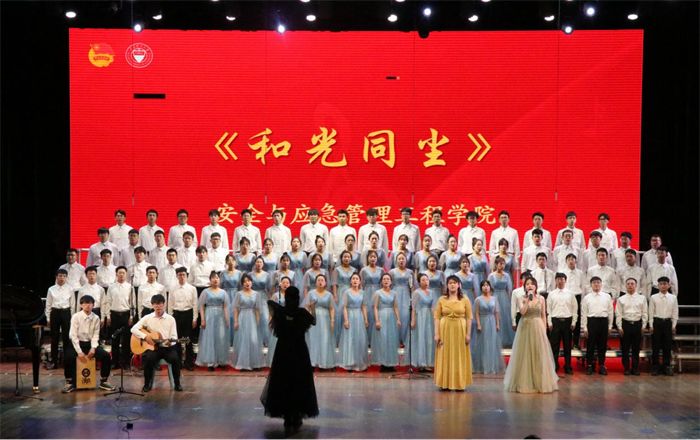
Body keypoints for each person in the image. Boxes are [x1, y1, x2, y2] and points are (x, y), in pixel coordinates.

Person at [261, 286, 318, 427]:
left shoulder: (280, 312)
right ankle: (297, 415)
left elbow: (270, 303)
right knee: (299, 381)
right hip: (299, 351)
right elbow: (313, 321)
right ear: (297, 298)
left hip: (283, 351)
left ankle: (286, 416)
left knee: (283, 381)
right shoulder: (302, 313)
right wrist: (313, 308)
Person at [503, 277, 558, 393]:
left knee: (539, 353)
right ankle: (524, 382)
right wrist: (528, 299)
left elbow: (543, 315)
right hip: (525, 327)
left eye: (532, 284)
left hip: (538, 327)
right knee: (525, 354)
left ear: (536, 286)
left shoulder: (542, 299)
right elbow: (522, 312)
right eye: (527, 284)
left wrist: (544, 330)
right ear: (525, 287)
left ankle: (539, 382)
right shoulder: (521, 298)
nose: (530, 286)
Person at [62, 295, 115, 393]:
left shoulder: (96, 317)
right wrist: (79, 352)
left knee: (106, 356)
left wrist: (93, 348)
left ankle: (104, 380)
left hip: (90, 344)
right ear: (81, 305)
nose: (88, 305)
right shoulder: (76, 317)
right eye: (85, 303)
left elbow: (96, 335)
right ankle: (69, 381)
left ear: (93, 305)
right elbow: (73, 336)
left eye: (90, 303)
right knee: (68, 356)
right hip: (76, 344)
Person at [131, 294, 183, 392]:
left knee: (175, 358)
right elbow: (133, 329)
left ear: (164, 305)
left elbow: (174, 336)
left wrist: (169, 343)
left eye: (160, 304)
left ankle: (177, 384)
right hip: (153, 348)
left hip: (167, 348)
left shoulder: (171, 319)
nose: (158, 307)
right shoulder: (147, 317)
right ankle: (147, 384)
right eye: (155, 304)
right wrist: (145, 337)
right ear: (152, 305)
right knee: (149, 359)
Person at [434, 275, 473, 391]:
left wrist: (468, 334)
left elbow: (469, 317)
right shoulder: (442, 299)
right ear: (447, 285)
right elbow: (437, 317)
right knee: (445, 353)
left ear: (459, 285)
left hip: (460, 329)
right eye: (450, 283)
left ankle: (459, 382)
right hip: (445, 329)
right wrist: (436, 333)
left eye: (454, 283)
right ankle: (444, 382)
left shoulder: (465, 299)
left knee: (459, 355)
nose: (452, 285)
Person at [196, 271, 231, 370]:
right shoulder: (205, 292)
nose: (215, 280)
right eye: (213, 278)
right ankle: (210, 362)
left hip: (220, 316)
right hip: (209, 315)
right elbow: (201, 306)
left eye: (217, 278)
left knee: (220, 338)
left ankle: (221, 361)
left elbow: (225, 306)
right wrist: (202, 319)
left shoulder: (223, 292)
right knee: (210, 338)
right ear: (210, 280)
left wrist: (226, 319)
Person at [581, 277, 614, 375]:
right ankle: (589, 366)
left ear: (601, 284)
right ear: (591, 285)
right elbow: (584, 313)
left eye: (598, 282)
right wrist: (585, 327)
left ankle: (602, 366)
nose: (596, 284)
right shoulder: (587, 298)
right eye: (594, 282)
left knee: (602, 346)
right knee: (590, 345)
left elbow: (610, 312)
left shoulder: (607, 296)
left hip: (603, 322)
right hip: (592, 322)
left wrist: (610, 326)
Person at [472, 281, 506, 374]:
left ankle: (492, 366)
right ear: (481, 288)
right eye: (483, 286)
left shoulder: (494, 299)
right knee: (483, 343)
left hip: (492, 322)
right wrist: (478, 324)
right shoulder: (478, 299)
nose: (485, 287)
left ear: (490, 287)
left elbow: (496, 312)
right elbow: (477, 313)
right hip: (482, 321)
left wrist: (497, 324)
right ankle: (483, 366)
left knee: (492, 343)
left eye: (487, 285)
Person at [103, 266, 134, 369]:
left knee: (126, 340)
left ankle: (125, 363)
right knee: (114, 339)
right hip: (114, 315)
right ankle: (115, 362)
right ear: (116, 274)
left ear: (126, 274)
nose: (121, 275)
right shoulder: (111, 287)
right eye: (119, 273)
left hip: (126, 315)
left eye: (123, 273)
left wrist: (131, 316)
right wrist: (108, 316)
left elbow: (132, 303)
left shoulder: (130, 287)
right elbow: (108, 302)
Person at [168, 267, 198, 371]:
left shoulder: (192, 289)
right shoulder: (172, 289)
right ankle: (178, 362)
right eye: (179, 275)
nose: (182, 277)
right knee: (177, 340)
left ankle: (189, 363)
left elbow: (195, 305)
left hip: (188, 314)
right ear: (176, 276)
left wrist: (194, 318)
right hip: (176, 315)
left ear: (187, 276)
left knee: (189, 340)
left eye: (183, 275)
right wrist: (170, 317)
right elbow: (170, 304)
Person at [232, 273, 264, 370]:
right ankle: (243, 364)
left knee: (253, 340)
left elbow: (257, 309)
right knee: (243, 340)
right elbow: (236, 309)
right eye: (245, 281)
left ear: (252, 282)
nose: (247, 283)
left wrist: (258, 322)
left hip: (252, 318)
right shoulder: (239, 294)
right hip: (242, 317)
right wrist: (236, 321)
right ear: (242, 284)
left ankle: (255, 363)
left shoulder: (256, 294)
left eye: (249, 281)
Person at [547, 273, 578, 375]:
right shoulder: (551, 294)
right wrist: (549, 322)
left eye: (562, 279)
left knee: (567, 346)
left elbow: (574, 309)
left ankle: (568, 366)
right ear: (555, 281)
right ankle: (554, 366)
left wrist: (574, 321)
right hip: (555, 321)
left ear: (565, 280)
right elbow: (549, 310)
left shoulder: (571, 294)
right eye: (558, 279)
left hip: (567, 321)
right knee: (554, 346)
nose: (560, 281)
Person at [616, 277, 648, 376]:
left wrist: (644, 325)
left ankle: (635, 368)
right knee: (625, 348)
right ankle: (626, 368)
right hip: (625, 324)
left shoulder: (642, 298)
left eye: (632, 284)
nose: (630, 285)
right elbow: (618, 314)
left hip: (637, 324)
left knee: (636, 348)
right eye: (628, 284)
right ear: (625, 286)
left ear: (636, 285)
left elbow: (645, 313)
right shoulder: (621, 299)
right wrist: (619, 327)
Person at [305, 274, 337, 370]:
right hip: (313, 318)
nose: (320, 282)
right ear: (315, 282)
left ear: (325, 282)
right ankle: (312, 362)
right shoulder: (310, 293)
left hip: (325, 318)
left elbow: (332, 308)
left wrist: (332, 320)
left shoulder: (329, 295)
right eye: (318, 280)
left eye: (322, 280)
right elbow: (307, 307)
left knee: (325, 339)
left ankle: (324, 362)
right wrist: (306, 319)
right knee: (313, 339)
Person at [338, 273, 369, 371]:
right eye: (353, 279)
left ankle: (360, 362)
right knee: (350, 339)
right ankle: (350, 363)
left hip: (359, 316)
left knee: (360, 339)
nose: (355, 280)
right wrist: (346, 320)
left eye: (357, 279)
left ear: (360, 281)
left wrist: (366, 319)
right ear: (350, 281)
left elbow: (364, 306)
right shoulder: (347, 292)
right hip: (350, 315)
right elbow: (344, 307)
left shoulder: (362, 293)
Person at [45, 269, 75, 370]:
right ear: (56, 277)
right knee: (54, 338)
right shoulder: (51, 289)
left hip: (66, 313)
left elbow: (72, 305)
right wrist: (48, 318)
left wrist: (72, 318)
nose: (62, 278)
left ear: (66, 277)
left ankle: (67, 362)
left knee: (67, 338)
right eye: (60, 276)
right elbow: (48, 305)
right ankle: (54, 362)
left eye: (64, 276)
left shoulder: (70, 289)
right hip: (55, 313)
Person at [371, 273, 401, 372]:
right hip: (382, 315)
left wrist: (398, 319)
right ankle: (383, 363)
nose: (386, 281)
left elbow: (395, 307)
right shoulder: (377, 293)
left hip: (391, 317)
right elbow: (375, 307)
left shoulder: (394, 293)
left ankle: (391, 363)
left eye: (388, 279)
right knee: (383, 340)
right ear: (381, 281)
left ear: (391, 281)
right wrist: (377, 320)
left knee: (391, 340)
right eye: (384, 279)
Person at [649, 277, 678, 376]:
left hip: (667, 322)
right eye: (661, 284)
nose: (663, 286)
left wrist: (674, 324)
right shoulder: (653, 297)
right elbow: (651, 312)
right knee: (656, 346)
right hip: (657, 322)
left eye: (665, 284)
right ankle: (655, 366)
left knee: (667, 345)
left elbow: (675, 312)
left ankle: (666, 366)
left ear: (669, 285)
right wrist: (651, 325)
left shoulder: (673, 298)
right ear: (658, 286)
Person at [408, 274, 435, 371]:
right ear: (419, 282)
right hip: (420, 316)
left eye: (427, 280)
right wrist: (413, 320)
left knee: (428, 338)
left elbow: (432, 306)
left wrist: (435, 318)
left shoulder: (431, 292)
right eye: (423, 280)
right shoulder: (416, 292)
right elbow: (414, 308)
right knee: (421, 338)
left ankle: (427, 363)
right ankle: (420, 363)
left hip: (429, 316)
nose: (425, 282)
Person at [488, 256, 515, 347]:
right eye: (500, 264)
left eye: (503, 264)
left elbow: (508, 289)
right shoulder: (491, 276)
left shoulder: (507, 275)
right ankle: (496, 339)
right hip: (495, 296)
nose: (502, 266)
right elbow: (489, 289)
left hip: (504, 297)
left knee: (505, 317)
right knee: (497, 317)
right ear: (496, 265)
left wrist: (508, 299)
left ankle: (505, 340)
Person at [332, 251, 357, 343]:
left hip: (351, 292)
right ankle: (339, 337)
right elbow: (334, 284)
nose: (346, 258)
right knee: (340, 313)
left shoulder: (354, 270)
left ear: (351, 259)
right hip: (341, 292)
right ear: (341, 258)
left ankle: (350, 336)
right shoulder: (337, 270)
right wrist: (335, 295)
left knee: (349, 313)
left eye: (348, 257)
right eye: (345, 257)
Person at [389, 252, 414, 344]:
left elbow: (412, 286)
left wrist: (412, 296)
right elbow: (389, 285)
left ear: (406, 260)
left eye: (403, 259)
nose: (401, 260)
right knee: (396, 314)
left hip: (406, 294)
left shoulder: (410, 272)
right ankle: (395, 339)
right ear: (396, 261)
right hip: (395, 293)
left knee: (406, 315)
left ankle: (404, 339)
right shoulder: (392, 272)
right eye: (399, 259)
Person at [563, 254, 586, 349]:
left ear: (576, 261)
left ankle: (576, 343)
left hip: (577, 297)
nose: (571, 261)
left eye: (572, 259)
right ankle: (567, 342)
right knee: (567, 319)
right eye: (569, 259)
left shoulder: (580, 273)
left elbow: (583, 287)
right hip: (566, 298)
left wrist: (583, 300)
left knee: (577, 320)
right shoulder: (563, 273)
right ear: (566, 261)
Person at [267, 276, 292, 365]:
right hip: (278, 320)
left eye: (287, 283)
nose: (285, 284)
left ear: (290, 285)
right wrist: (271, 320)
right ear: (280, 284)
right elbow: (271, 309)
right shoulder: (275, 295)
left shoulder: (292, 296)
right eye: (283, 282)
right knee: (276, 341)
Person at [360, 250, 383, 340]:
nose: (373, 258)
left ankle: (377, 337)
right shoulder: (363, 270)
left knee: (377, 313)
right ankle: (368, 338)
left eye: (374, 257)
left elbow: (383, 283)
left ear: (377, 258)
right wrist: (361, 295)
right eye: (371, 257)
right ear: (367, 258)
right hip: (367, 292)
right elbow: (361, 284)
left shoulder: (381, 270)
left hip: (378, 291)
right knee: (368, 313)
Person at [251, 256, 274, 346]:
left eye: (260, 262)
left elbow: (269, 289)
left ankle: (266, 339)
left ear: (263, 264)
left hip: (264, 297)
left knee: (264, 317)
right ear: (254, 263)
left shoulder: (267, 275)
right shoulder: (250, 274)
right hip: (253, 296)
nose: (259, 264)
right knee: (254, 317)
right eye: (257, 262)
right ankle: (254, 339)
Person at [221, 254, 242, 345]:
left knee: (235, 315)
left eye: (233, 260)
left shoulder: (239, 273)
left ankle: (236, 339)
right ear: (226, 262)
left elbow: (241, 286)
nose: (231, 262)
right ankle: (227, 339)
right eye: (229, 260)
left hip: (236, 294)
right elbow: (221, 286)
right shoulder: (223, 273)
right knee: (227, 316)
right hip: (226, 294)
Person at [76, 267, 105, 331]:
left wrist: (102, 318)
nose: (92, 276)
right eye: (90, 274)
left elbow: (103, 304)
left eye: (93, 274)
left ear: (96, 275)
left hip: (96, 311)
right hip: (84, 312)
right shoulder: (82, 289)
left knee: (96, 332)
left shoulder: (101, 289)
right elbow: (78, 304)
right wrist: (77, 316)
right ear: (86, 276)